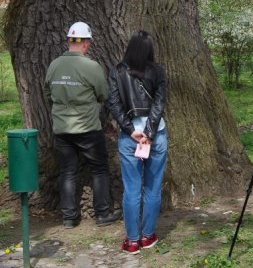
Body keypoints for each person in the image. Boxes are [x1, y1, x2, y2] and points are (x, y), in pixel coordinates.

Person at [44, 21, 120, 228]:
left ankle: (69, 217)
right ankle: (102, 213)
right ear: (86, 43)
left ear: (69, 41)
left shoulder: (54, 65)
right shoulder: (91, 66)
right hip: (87, 127)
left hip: (61, 128)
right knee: (100, 169)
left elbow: (47, 92)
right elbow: (103, 94)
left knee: (67, 171)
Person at [107, 30, 168, 255]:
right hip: (156, 135)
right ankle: (147, 235)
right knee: (152, 188)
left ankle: (132, 241)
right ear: (150, 49)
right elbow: (159, 104)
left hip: (130, 138)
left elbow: (113, 103)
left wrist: (132, 130)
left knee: (132, 189)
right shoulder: (158, 71)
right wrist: (149, 133)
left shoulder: (117, 71)